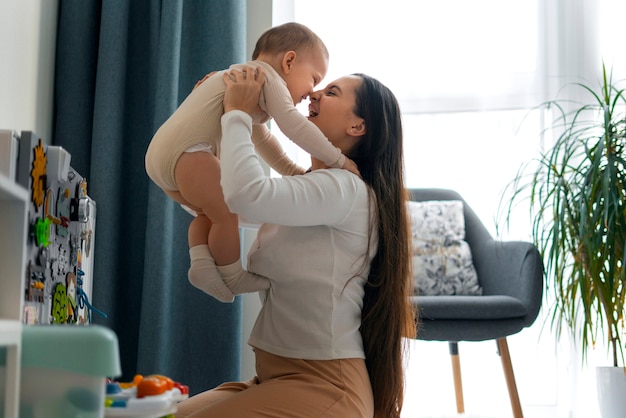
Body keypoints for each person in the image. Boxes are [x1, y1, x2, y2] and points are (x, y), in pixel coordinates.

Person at [174, 66, 417, 418]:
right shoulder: (313, 189)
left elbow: (245, 194)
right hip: (276, 379)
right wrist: (212, 104)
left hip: (326, 388)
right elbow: (214, 203)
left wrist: (237, 113)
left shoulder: (345, 190)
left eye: (332, 92)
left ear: (358, 126)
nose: (315, 93)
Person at [145, 23, 359, 303]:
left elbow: (265, 143)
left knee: (209, 214)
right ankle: (232, 275)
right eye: (314, 79)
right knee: (227, 212)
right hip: (189, 153)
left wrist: (295, 173)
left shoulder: (245, 84)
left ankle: (201, 264)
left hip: (164, 155)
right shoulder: (266, 78)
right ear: (289, 61)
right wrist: (339, 160)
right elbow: (293, 126)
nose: (311, 93)